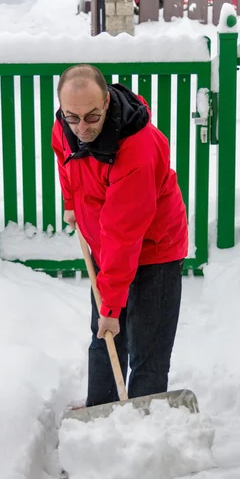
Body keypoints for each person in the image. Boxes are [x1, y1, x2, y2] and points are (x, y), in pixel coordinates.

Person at [52, 64, 188, 407]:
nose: (82, 127)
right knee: (105, 337)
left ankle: (143, 429)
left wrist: (111, 306)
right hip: (106, 244)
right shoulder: (65, 126)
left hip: (155, 248)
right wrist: (71, 202)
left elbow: (124, 232)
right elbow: (65, 160)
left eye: (92, 117)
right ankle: (100, 416)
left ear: (108, 103)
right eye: (72, 117)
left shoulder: (138, 148)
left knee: (147, 349)